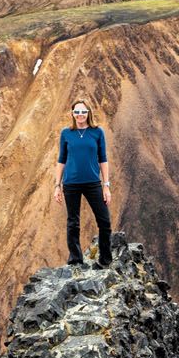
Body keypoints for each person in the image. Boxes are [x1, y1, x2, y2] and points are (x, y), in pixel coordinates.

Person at [52, 99, 112, 266]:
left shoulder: (97, 132)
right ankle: (76, 259)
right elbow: (61, 160)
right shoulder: (66, 133)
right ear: (72, 114)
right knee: (73, 222)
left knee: (104, 222)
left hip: (93, 183)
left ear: (88, 113)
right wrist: (57, 186)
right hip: (71, 183)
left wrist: (106, 186)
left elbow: (103, 159)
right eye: (77, 112)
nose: (80, 115)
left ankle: (105, 260)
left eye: (83, 112)